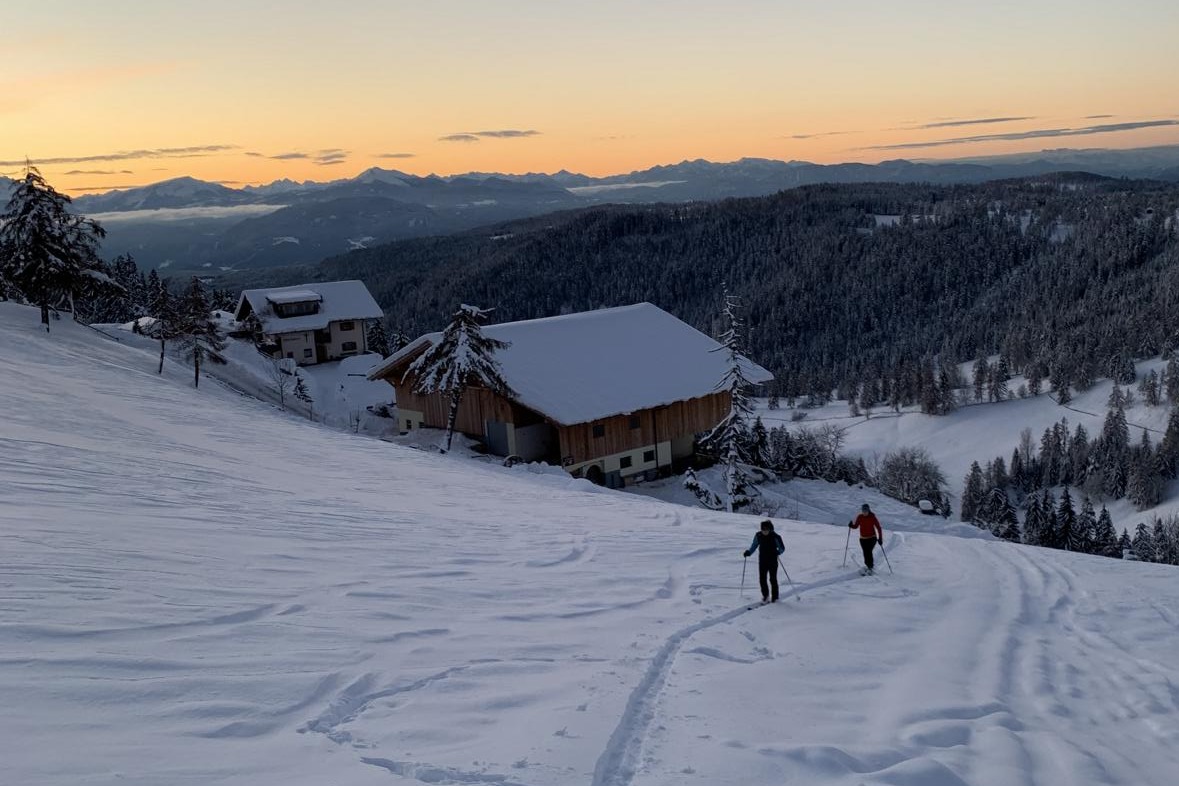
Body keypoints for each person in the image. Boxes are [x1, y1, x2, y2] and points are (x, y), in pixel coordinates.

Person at [743, 520, 785, 602]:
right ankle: (765, 596)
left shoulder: (775, 537)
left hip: (772, 560)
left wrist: (777, 552)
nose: (764, 531)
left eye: (766, 529)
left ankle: (775, 597)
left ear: (770, 529)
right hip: (762, 560)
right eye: (763, 529)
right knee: (762, 579)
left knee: (773, 579)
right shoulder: (758, 535)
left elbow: (782, 548)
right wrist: (749, 552)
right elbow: (754, 545)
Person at [849, 503, 884, 574]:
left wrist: (880, 538)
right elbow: (856, 526)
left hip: (872, 538)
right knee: (865, 552)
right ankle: (868, 565)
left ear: (868, 510)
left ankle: (870, 567)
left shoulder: (872, 517)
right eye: (863, 511)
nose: (864, 512)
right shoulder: (860, 517)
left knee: (868, 551)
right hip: (862, 539)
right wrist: (851, 525)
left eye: (866, 511)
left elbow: (879, 528)